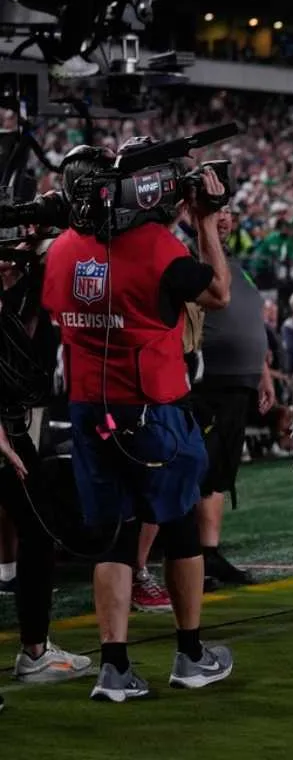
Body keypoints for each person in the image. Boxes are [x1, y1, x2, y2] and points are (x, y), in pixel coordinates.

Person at [41, 146, 234, 702]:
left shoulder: (62, 251)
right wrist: (203, 223)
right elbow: (217, 292)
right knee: (179, 530)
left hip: (88, 409)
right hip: (154, 409)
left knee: (115, 538)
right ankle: (191, 655)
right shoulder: (154, 247)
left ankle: (114, 667)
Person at [0, 240, 92, 685]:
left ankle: (36, 649)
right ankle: (35, 651)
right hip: (4, 434)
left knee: (37, 529)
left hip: (11, 429)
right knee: (36, 528)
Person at [190, 207, 275, 588]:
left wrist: (263, 373)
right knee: (201, 471)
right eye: (215, 212)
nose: (222, 219)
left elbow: (251, 322)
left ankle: (209, 554)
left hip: (240, 381)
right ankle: (191, 555)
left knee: (221, 471)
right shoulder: (187, 262)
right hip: (207, 382)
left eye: (226, 213)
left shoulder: (236, 265)